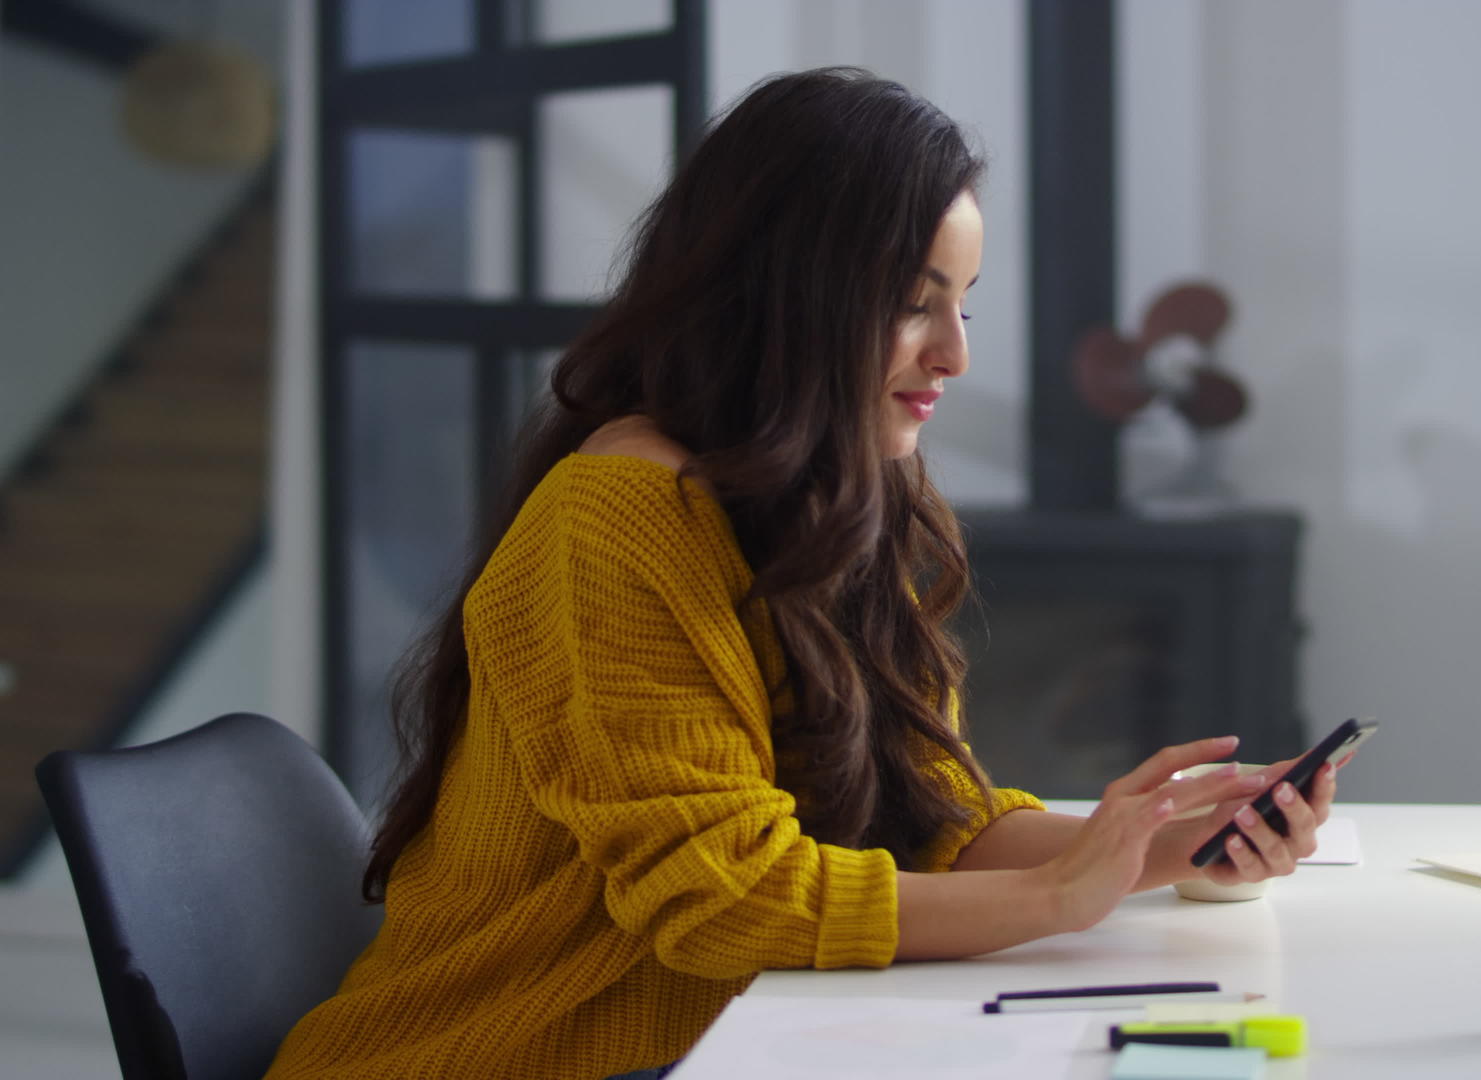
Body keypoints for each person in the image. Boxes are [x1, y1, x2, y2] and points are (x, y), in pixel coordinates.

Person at [265, 68, 1335, 1080]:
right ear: (786, 297)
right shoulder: (619, 514)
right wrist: (1060, 894)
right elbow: (721, 898)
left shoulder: (836, 493)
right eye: (914, 304)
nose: (955, 355)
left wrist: (1157, 845)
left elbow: (927, 818)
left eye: (964, 302)